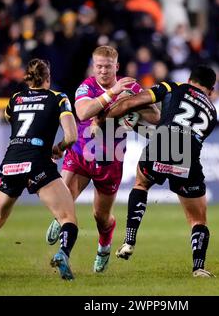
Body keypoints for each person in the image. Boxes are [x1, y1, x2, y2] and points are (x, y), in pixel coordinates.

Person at [0, 59, 79, 281]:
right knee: (67, 217)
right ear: (48, 78)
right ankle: (63, 253)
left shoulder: (14, 99)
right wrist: (58, 148)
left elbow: (11, 119)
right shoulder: (58, 98)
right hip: (38, 162)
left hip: (11, 162)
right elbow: (71, 136)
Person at [46, 46, 160, 273]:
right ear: (93, 66)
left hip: (110, 159)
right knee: (64, 199)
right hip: (80, 153)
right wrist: (112, 94)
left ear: (116, 66)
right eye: (98, 66)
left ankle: (104, 248)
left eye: (107, 67)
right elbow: (83, 113)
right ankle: (61, 224)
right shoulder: (86, 86)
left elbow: (155, 116)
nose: (103, 71)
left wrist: (130, 106)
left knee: (101, 216)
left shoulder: (131, 87)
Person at [102, 65, 218, 277]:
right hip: (188, 154)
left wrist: (102, 119)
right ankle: (198, 267)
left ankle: (129, 241)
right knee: (198, 220)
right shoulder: (212, 111)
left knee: (142, 183)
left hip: (163, 142)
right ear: (211, 89)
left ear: (190, 79)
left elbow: (131, 102)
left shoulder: (173, 87)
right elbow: (186, 135)